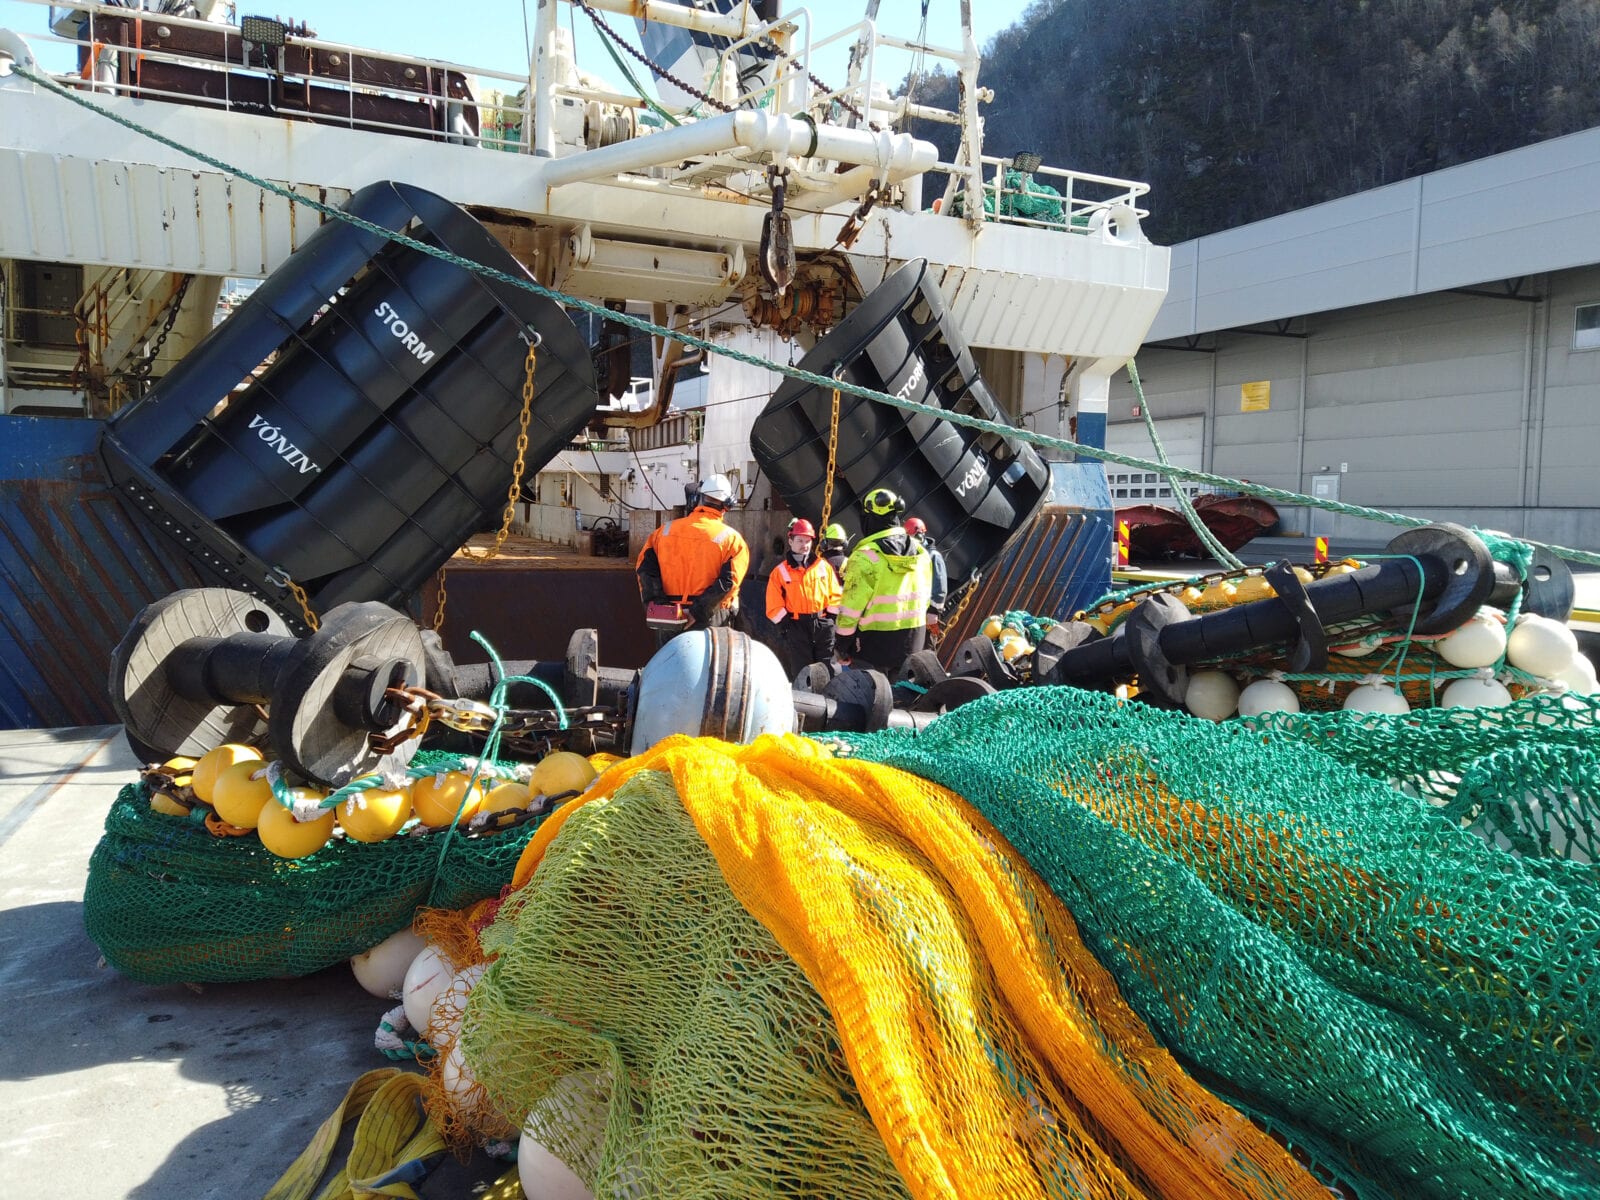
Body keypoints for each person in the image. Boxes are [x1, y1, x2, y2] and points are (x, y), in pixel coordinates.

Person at [635, 474, 750, 647]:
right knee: (709, 671)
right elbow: (728, 583)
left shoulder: (663, 532)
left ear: (699, 499)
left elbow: (645, 570)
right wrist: (696, 612)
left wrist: (663, 608)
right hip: (711, 618)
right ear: (727, 505)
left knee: (667, 668)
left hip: (669, 616)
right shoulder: (733, 540)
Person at [835, 488, 933, 675]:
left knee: (869, 699)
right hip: (913, 642)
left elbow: (851, 609)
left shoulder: (864, 557)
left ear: (869, 518)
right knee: (903, 700)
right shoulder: (921, 553)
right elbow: (926, 598)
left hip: (872, 648)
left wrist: (842, 645)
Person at [764, 518, 843, 676]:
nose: (804, 545)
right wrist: (786, 626)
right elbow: (773, 605)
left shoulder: (823, 566)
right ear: (790, 540)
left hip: (823, 625)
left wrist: (830, 619)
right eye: (800, 540)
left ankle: (827, 699)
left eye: (807, 541)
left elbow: (835, 594)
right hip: (797, 626)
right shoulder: (780, 572)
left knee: (827, 669)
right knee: (802, 672)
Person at [903, 517, 948, 633]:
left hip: (926, 614)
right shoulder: (912, 555)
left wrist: (933, 612)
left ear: (919, 536)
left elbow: (940, 587)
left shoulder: (933, 556)